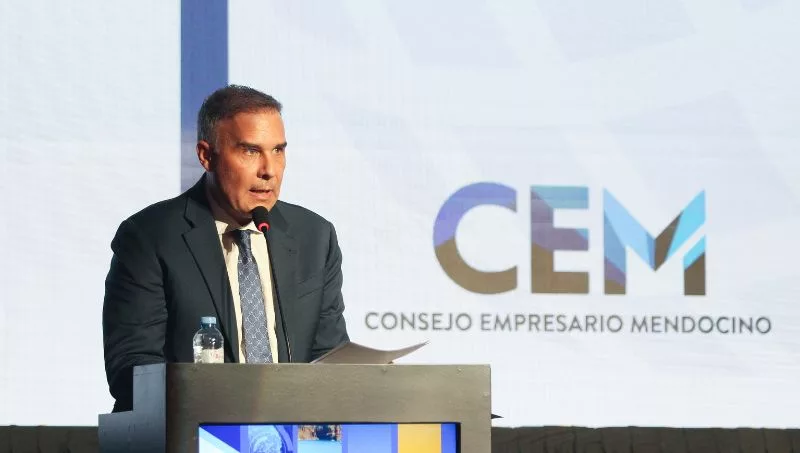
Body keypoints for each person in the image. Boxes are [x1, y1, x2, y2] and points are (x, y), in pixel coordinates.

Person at [102, 85, 349, 412]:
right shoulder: (150, 236)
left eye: (278, 150)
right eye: (250, 151)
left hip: (292, 430)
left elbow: (330, 358)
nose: (269, 170)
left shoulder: (314, 236)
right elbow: (131, 369)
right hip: (193, 429)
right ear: (206, 156)